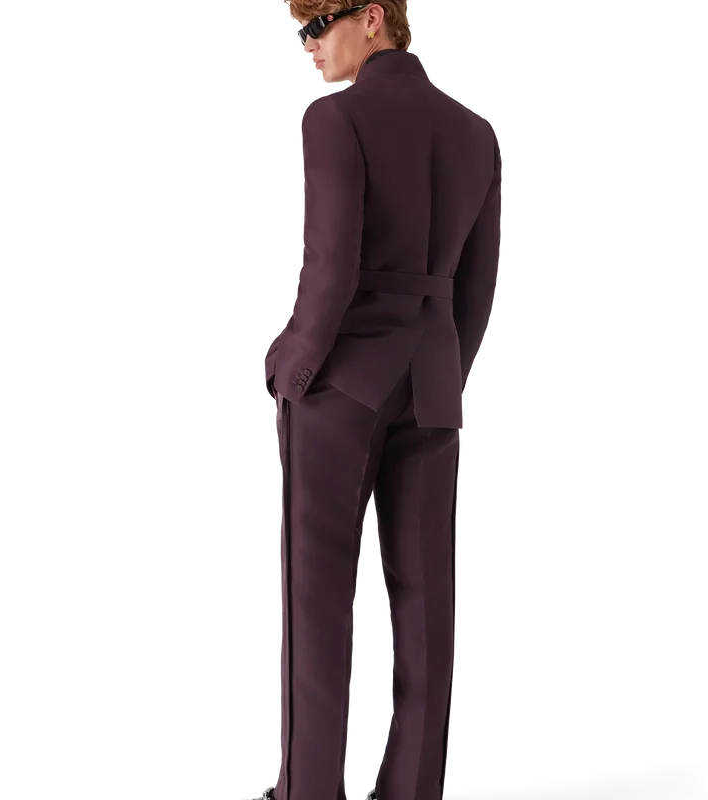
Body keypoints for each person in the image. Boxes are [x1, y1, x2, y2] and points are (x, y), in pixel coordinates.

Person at [260, 2, 502, 798]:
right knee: (427, 608)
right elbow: (476, 289)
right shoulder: (475, 135)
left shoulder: (338, 121)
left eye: (316, 25)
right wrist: (442, 375)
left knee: (319, 605)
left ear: (373, 18)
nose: (308, 46)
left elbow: (332, 268)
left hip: (341, 385)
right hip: (430, 385)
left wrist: (290, 365)